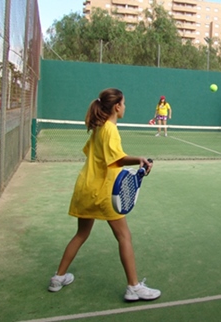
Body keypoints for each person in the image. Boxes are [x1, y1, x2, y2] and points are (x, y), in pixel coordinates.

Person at [48, 88, 161, 302]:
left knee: (81, 234)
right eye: (124, 103)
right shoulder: (110, 129)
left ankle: (58, 277)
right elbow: (116, 159)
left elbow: (98, 157)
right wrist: (140, 159)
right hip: (104, 192)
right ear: (117, 106)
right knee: (124, 236)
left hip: (85, 188)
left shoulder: (98, 128)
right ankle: (134, 287)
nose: (125, 107)